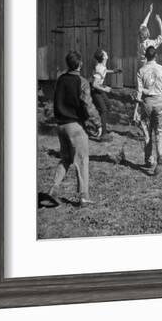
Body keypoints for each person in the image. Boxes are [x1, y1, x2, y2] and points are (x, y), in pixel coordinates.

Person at [48, 50, 102, 207]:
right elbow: (88, 105)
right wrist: (97, 123)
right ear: (80, 64)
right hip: (75, 127)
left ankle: (53, 190)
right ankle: (84, 196)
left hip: (61, 126)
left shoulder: (60, 80)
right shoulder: (82, 82)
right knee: (82, 160)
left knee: (65, 159)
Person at [136, 46, 162, 174]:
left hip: (146, 102)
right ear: (156, 56)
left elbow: (139, 91)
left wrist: (136, 108)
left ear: (145, 56)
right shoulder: (161, 69)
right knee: (160, 130)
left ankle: (149, 159)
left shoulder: (141, 70)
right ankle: (160, 154)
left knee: (146, 130)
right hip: (159, 101)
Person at [90, 48, 122, 142]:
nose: (106, 53)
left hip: (99, 89)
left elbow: (104, 71)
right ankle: (103, 134)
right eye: (105, 53)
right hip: (95, 90)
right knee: (103, 110)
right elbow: (94, 84)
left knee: (108, 105)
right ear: (103, 57)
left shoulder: (101, 66)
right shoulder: (99, 68)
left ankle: (99, 124)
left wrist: (113, 71)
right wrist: (105, 88)